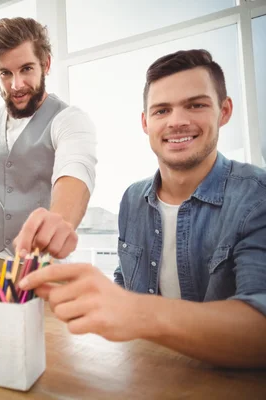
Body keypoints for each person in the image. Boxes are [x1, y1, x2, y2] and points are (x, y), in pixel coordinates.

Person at [18, 49, 266, 368]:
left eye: (196, 105)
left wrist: (135, 313)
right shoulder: (133, 199)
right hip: (147, 373)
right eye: (162, 111)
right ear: (145, 123)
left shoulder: (256, 197)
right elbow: (127, 284)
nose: (177, 121)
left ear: (224, 110)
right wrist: (77, 293)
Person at [0, 17, 97, 262]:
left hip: (43, 263)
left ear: (46, 64)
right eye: (5, 73)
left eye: (26, 69)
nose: (16, 84)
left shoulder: (68, 119)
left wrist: (59, 223)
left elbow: (76, 171)